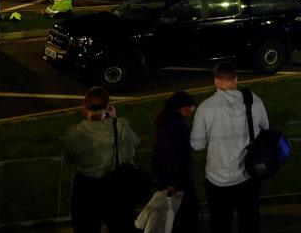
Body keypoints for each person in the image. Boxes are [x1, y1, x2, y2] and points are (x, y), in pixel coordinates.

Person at [190, 62, 269, 233]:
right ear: (236, 79)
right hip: (248, 175)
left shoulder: (206, 108)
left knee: (220, 224)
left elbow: (197, 145)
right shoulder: (254, 101)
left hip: (218, 179)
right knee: (249, 223)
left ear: (216, 81)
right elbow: (266, 127)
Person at [63, 86, 141, 233]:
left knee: (86, 227)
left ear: (85, 106)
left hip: (87, 187)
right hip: (117, 186)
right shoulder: (121, 127)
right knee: (122, 226)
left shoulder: (76, 132)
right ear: (108, 106)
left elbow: (70, 156)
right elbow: (135, 142)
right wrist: (115, 119)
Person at [153, 90, 199, 233]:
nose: (193, 109)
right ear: (183, 107)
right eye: (192, 106)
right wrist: (172, 182)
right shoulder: (176, 127)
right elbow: (171, 156)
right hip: (178, 181)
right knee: (187, 217)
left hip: (174, 178)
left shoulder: (169, 122)